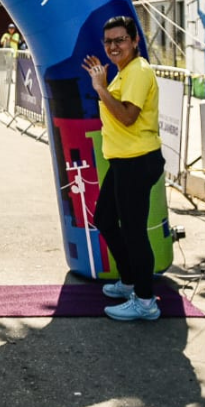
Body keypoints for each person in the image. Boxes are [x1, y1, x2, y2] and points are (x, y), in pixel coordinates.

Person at [82, 16, 164, 322]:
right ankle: (130, 280)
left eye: (120, 40)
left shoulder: (138, 72)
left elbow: (128, 117)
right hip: (123, 161)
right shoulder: (122, 73)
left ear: (135, 41)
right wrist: (103, 84)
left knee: (133, 232)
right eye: (108, 41)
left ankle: (145, 301)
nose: (113, 46)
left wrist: (100, 89)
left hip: (137, 161)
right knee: (104, 218)